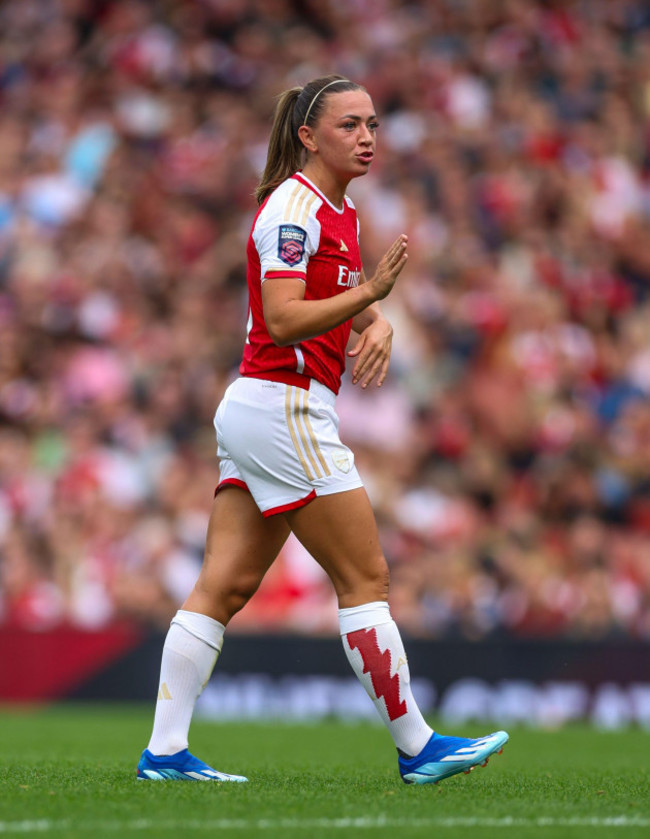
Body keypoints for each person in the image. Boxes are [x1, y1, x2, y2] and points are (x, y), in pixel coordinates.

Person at [136, 75, 508, 785]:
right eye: (349, 125)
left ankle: (164, 752)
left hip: (259, 406)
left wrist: (377, 318)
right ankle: (417, 745)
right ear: (309, 135)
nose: (367, 136)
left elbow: (329, 292)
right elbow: (281, 315)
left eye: (372, 123)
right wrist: (369, 294)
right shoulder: (294, 207)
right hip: (286, 404)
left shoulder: (339, 210)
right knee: (365, 575)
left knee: (224, 584)